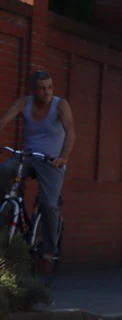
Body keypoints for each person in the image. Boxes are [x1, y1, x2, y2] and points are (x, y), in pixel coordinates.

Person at [0, 71, 76, 265]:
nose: (47, 92)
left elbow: (71, 133)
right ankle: (9, 207)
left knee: (50, 205)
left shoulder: (60, 105)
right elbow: (3, 121)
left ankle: (48, 250)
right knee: (5, 168)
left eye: (49, 87)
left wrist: (63, 157)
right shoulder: (24, 102)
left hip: (51, 161)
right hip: (27, 157)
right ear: (32, 90)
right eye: (42, 88)